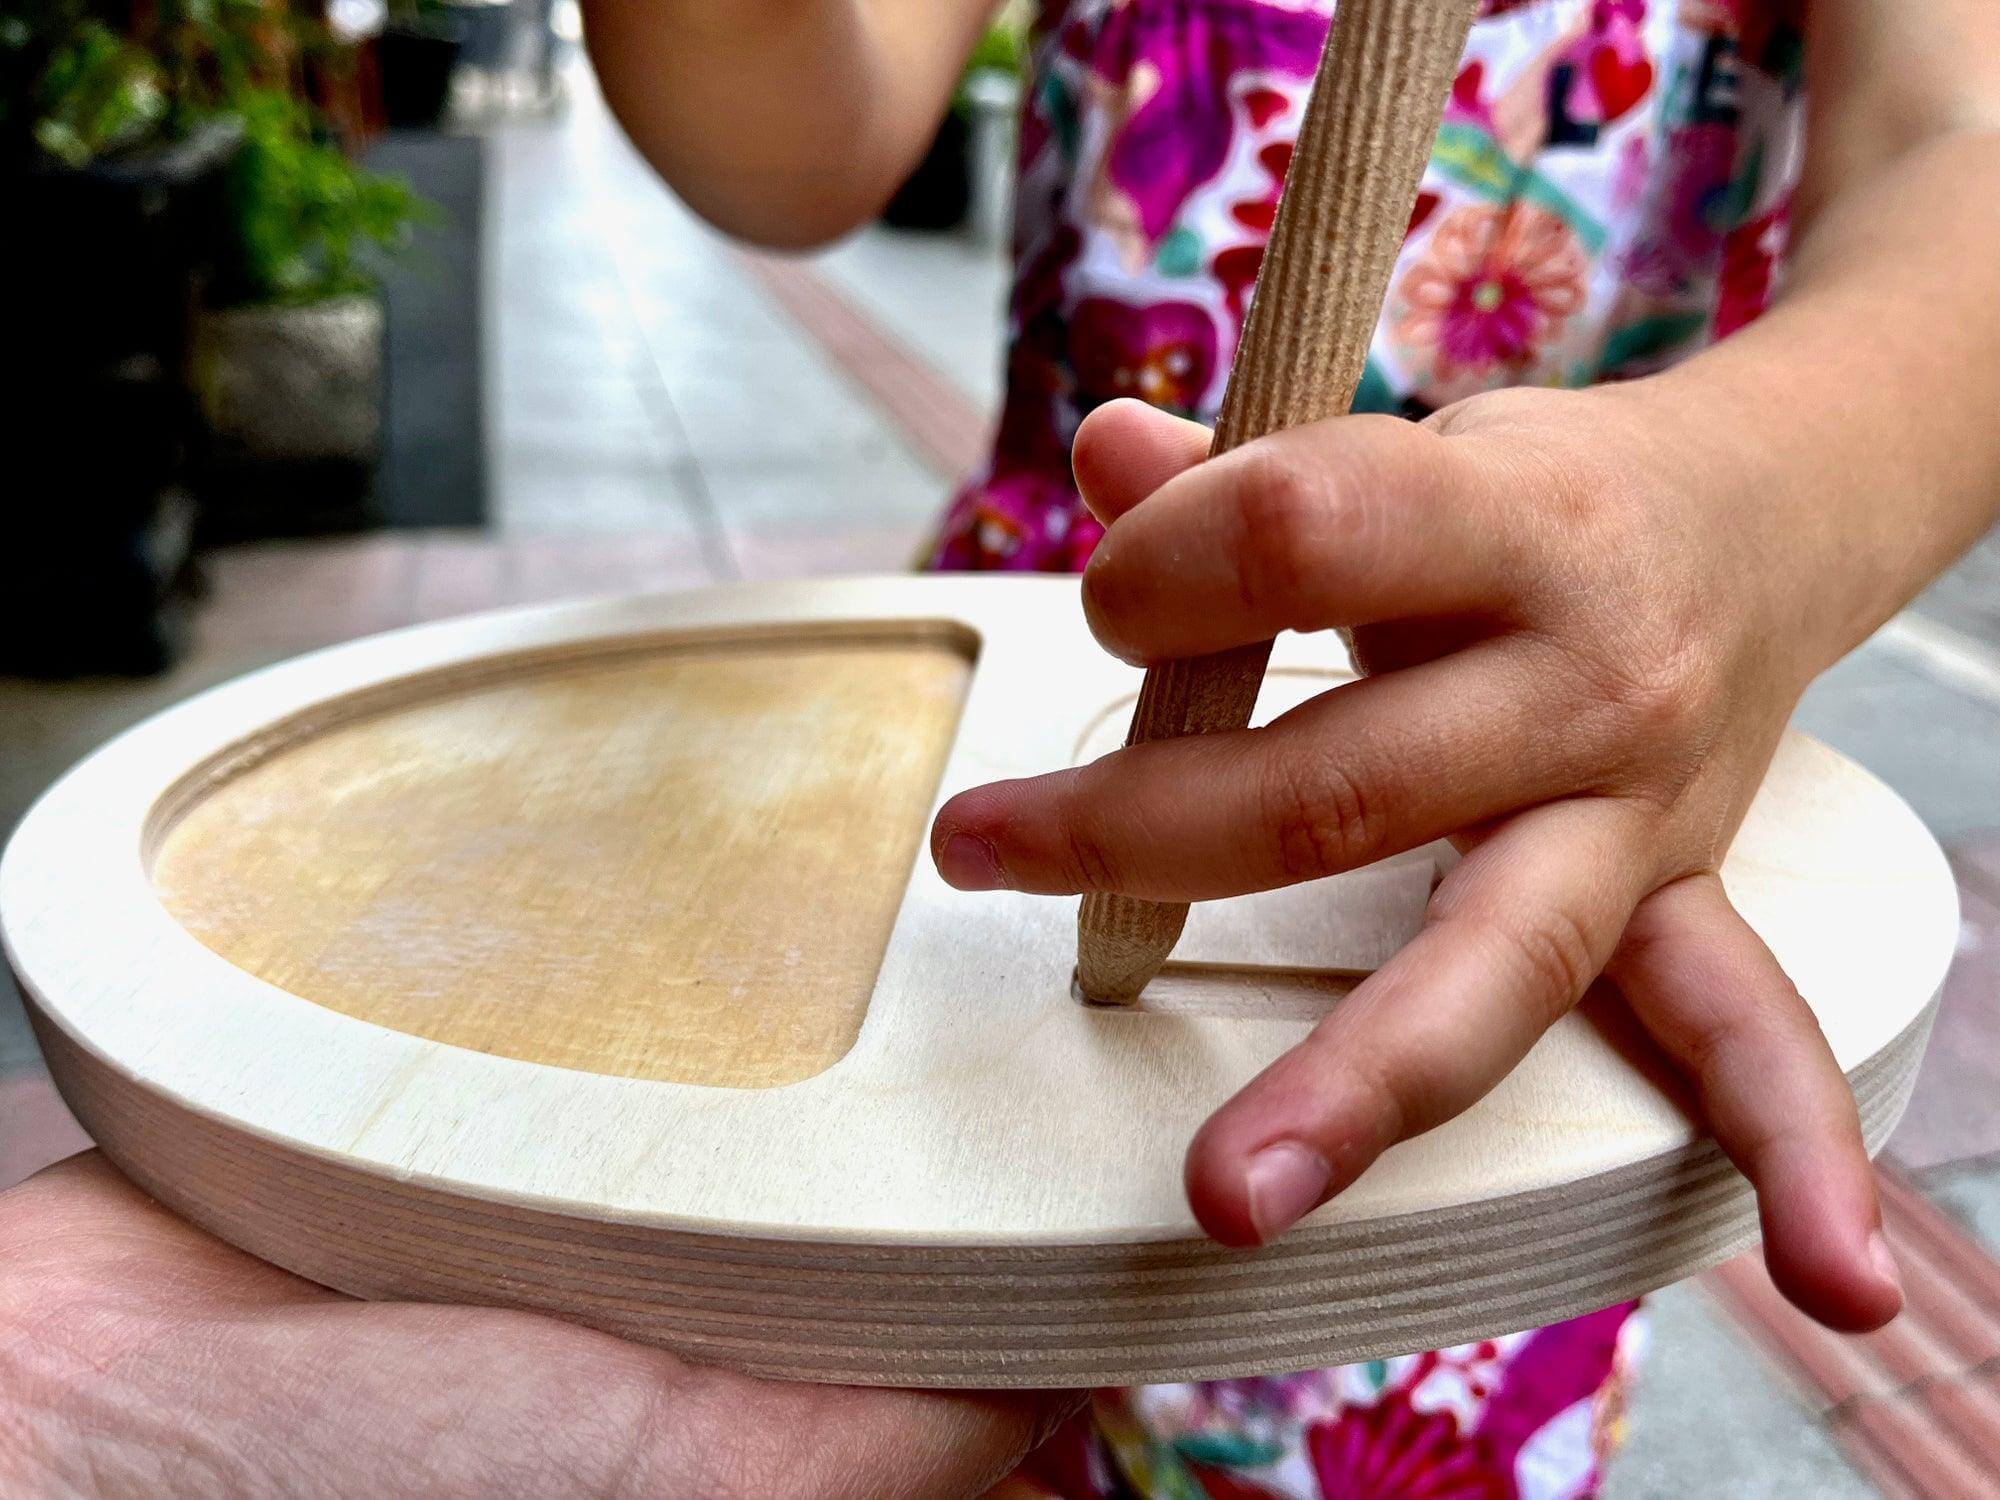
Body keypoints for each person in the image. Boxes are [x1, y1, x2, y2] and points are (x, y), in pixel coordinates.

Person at [5, 0, 1999, 1494]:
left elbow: (1960, 142)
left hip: (1507, 836)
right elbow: (796, 138)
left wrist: (1747, 504)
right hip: (994, 731)